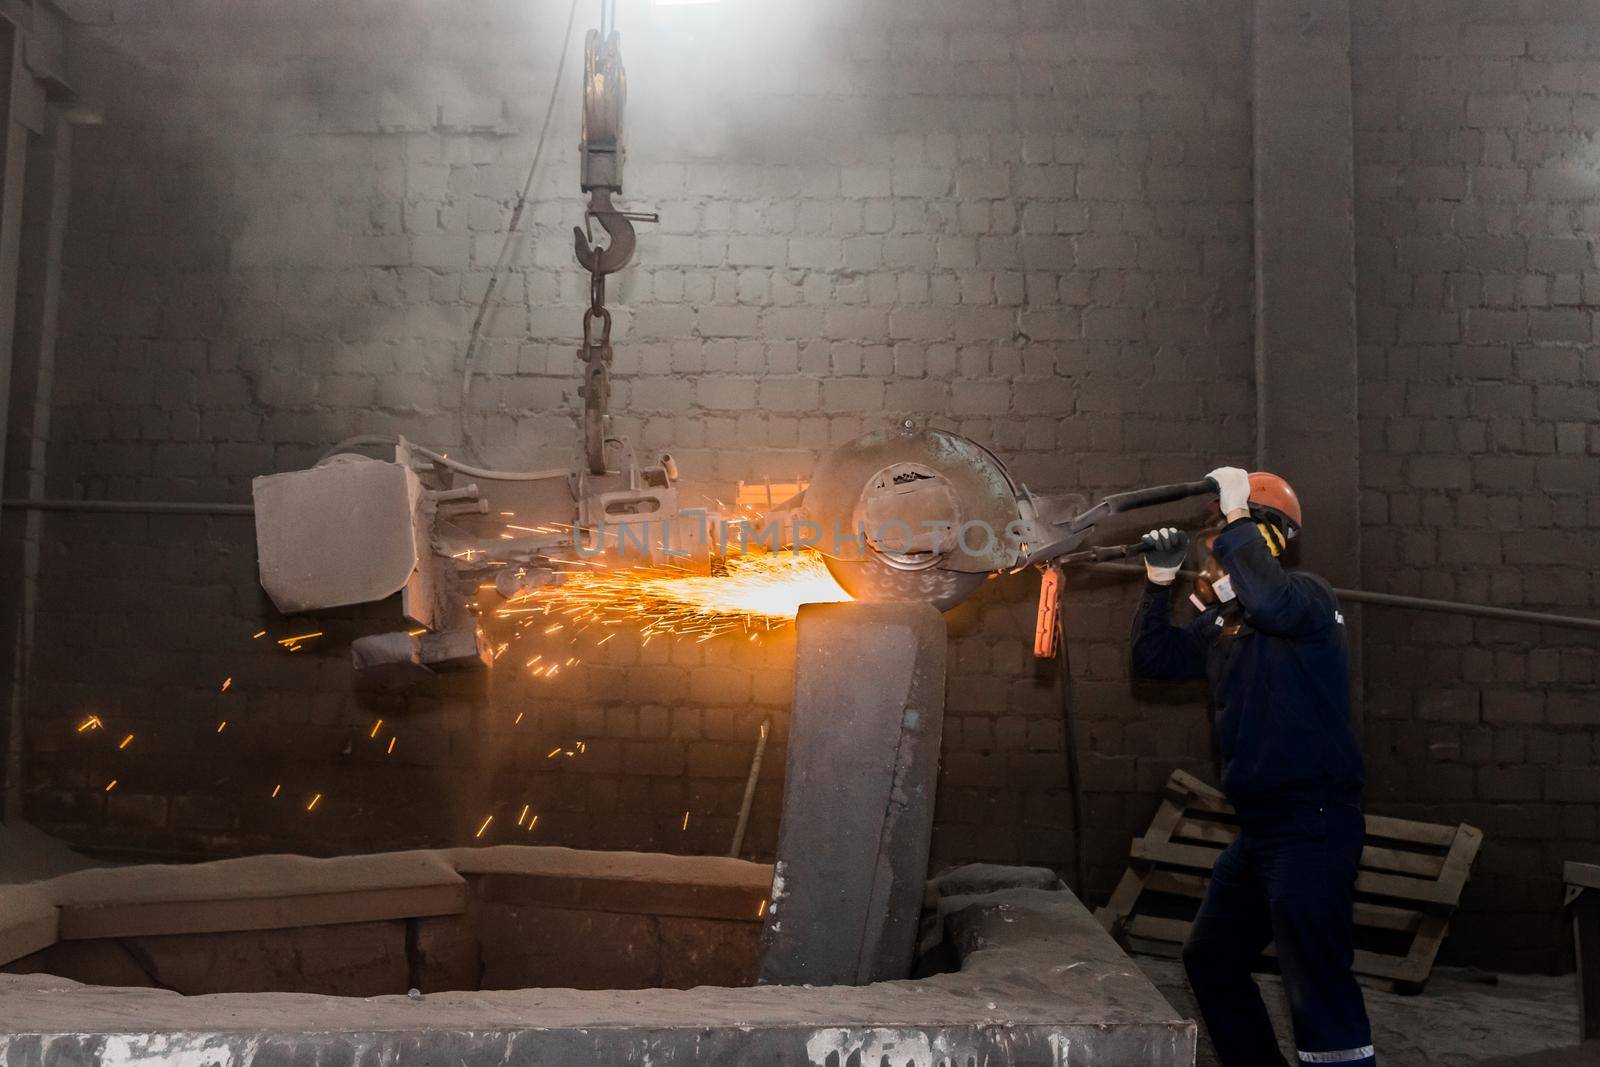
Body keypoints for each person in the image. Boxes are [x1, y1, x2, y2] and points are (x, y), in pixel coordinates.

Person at [1130, 466, 1374, 1067]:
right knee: (1211, 960)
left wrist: (1238, 515)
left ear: (1266, 540)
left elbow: (1270, 598)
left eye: (1225, 535)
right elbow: (1154, 659)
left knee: (1316, 983)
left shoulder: (1308, 599)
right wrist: (1158, 585)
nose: (1215, 550)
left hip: (1312, 824)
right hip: (1261, 831)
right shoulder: (1225, 624)